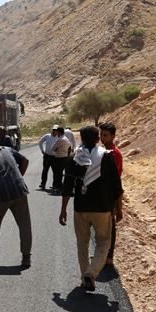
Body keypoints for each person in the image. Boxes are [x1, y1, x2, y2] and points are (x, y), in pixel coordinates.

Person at [58, 125, 123, 291]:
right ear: (97, 139)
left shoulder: (74, 157)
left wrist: (63, 209)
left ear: (82, 138)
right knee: (104, 242)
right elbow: (117, 186)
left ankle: (85, 277)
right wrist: (119, 208)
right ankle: (91, 273)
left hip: (81, 208)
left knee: (82, 243)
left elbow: (67, 186)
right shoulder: (106, 157)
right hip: (102, 208)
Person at [99, 122, 124, 266]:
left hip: (111, 193)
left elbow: (116, 178)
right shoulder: (105, 151)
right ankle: (103, 254)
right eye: (101, 135)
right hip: (104, 192)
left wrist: (118, 204)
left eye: (106, 135)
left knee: (110, 226)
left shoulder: (113, 153)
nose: (103, 138)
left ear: (113, 136)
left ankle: (109, 257)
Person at [50, 126, 71, 191]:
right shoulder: (66, 139)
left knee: (57, 173)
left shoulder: (59, 140)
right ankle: (61, 186)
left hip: (59, 158)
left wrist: (56, 149)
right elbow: (69, 147)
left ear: (58, 132)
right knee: (62, 173)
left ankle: (58, 187)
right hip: (65, 157)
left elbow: (52, 149)